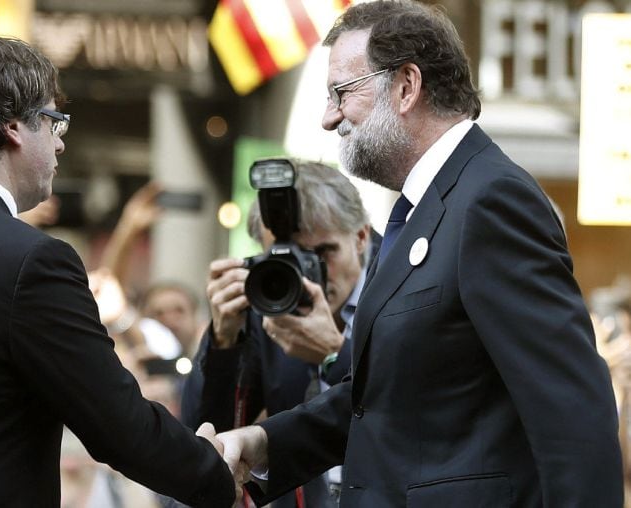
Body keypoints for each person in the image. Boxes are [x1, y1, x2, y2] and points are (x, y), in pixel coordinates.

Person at [213, 2, 623, 506]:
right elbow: (387, 399)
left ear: (406, 86)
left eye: (341, 93)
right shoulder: (420, 210)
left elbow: (572, 411)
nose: (329, 117)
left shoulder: (490, 201)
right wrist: (265, 442)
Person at [0, 33, 233, 507]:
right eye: (54, 122)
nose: (60, 145)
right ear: (14, 126)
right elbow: (117, 424)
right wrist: (214, 470)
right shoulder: (31, 261)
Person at [183, 161, 379, 507]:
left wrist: (336, 353)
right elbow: (207, 436)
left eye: (321, 254)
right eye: (288, 259)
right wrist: (223, 341)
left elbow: (417, 401)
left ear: (361, 237)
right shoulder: (268, 297)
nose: (307, 275)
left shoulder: (402, 285)